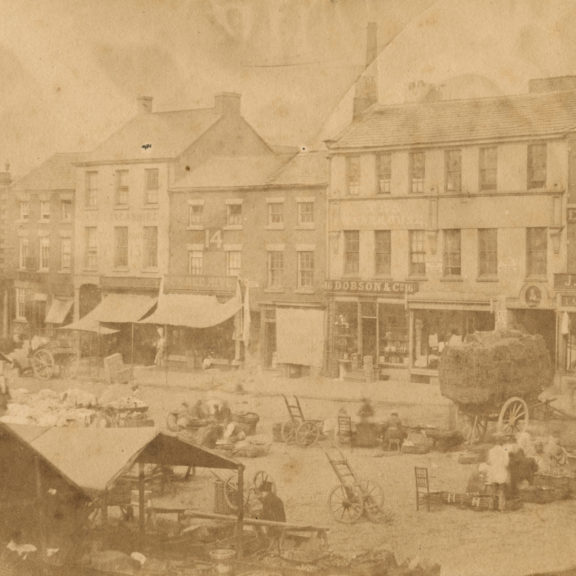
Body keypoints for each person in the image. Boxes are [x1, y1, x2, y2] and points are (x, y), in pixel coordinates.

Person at [258, 482, 286, 551]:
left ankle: (267, 545)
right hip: (282, 522)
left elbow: (265, 514)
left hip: (274, 524)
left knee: (257, 524)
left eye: (262, 492)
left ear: (264, 492)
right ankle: (277, 547)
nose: (261, 494)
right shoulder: (276, 498)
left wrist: (257, 517)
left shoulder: (266, 499)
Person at [486, 434, 510, 511]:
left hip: (493, 471)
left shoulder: (491, 450)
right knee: (502, 490)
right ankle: (501, 507)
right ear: (501, 441)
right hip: (501, 471)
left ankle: (491, 506)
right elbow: (506, 463)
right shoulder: (505, 450)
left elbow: (488, 462)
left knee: (493, 490)